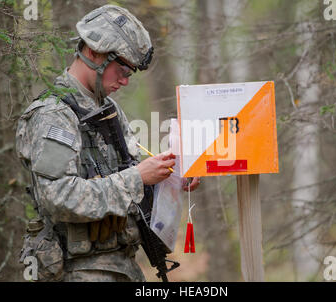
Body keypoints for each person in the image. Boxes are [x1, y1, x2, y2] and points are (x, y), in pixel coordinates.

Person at [16, 4, 200, 282]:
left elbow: (124, 175)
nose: (125, 80)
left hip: (121, 266)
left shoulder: (107, 108)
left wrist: (169, 178)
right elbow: (58, 197)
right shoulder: (53, 114)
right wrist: (138, 178)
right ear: (94, 52)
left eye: (131, 72)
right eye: (122, 68)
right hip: (77, 271)